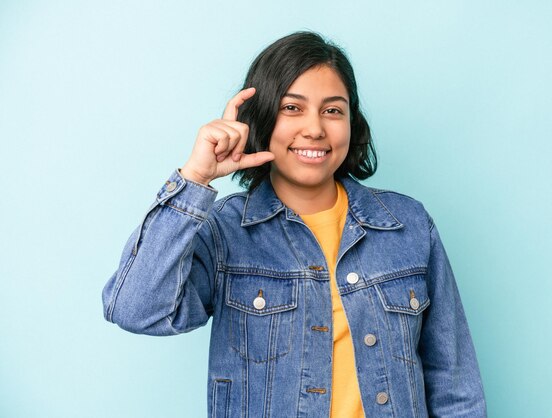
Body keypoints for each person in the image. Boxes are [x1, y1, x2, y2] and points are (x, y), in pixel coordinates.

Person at [102, 31, 487, 418]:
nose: (315, 129)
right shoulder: (225, 232)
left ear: (352, 121)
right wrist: (195, 178)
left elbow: (455, 386)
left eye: (333, 110)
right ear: (263, 118)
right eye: (292, 108)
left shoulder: (409, 226)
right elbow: (136, 309)